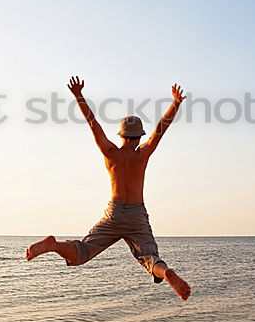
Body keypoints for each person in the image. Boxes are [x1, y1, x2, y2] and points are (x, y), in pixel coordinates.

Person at [25, 76, 192, 300]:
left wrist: (78, 95)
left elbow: (93, 123)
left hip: (114, 213)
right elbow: (160, 130)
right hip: (136, 214)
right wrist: (176, 103)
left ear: (122, 136)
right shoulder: (142, 155)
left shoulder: (110, 154)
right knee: (151, 258)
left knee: (83, 252)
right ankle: (166, 272)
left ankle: (54, 245)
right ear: (138, 136)